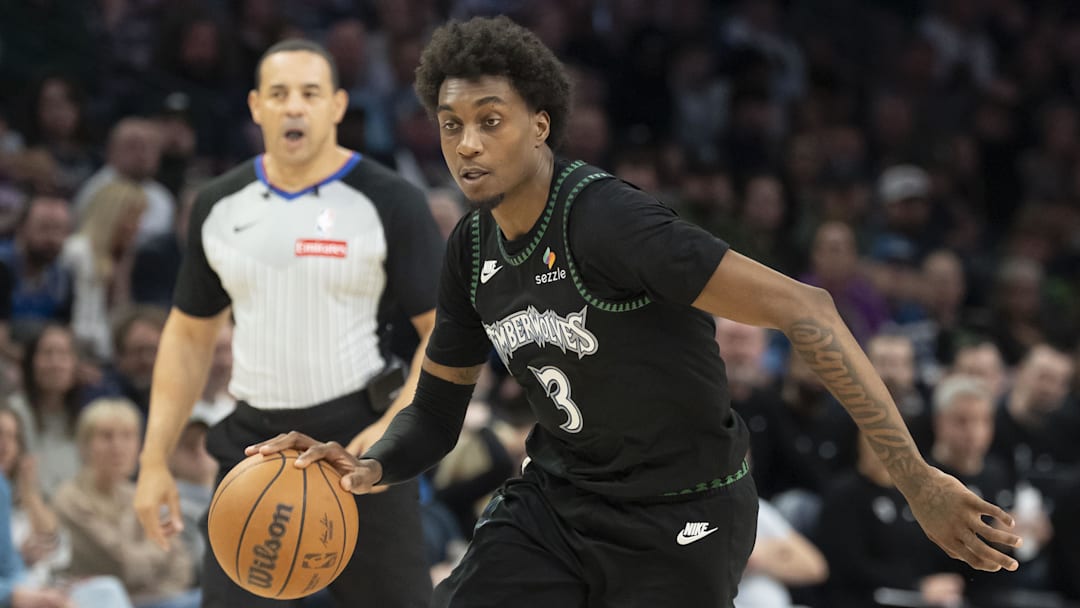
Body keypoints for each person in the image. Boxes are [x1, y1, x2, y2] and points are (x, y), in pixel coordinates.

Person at [249, 16, 1021, 607]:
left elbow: (806, 308)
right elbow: (437, 414)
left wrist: (915, 478)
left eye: (491, 119)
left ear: (540, 124)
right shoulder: (471, 247)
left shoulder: (608, 221)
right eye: (452, 125)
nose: (468, 145)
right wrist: (371, 461)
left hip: (683, 516)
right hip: (560, 504)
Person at [132, 38, 442, 608]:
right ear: (256, 106)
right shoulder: (219, 204)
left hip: (360, 443)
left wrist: (395, 430)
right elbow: (189, 335)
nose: (294, 106)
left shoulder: (391, 200)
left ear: (337, 105)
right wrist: (154, 460)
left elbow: (444, 334)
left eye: (310, 93)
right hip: (256, 448)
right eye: (279, 94)